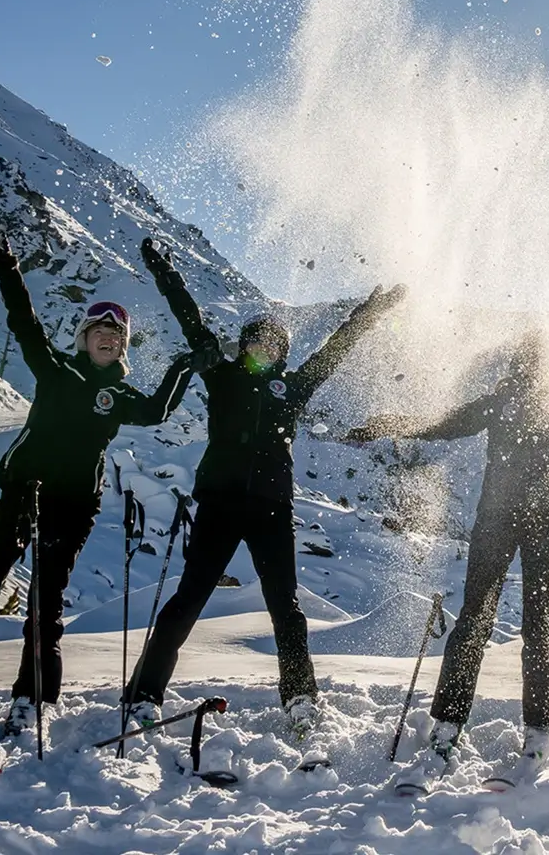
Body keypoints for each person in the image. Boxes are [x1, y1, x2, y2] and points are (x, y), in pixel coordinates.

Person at [347, 333, 549, 788]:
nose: (530, 373)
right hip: (500, 519)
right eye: (527, 365)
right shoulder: (501, 402)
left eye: (535, 366)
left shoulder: (545, 407)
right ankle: (455, 726)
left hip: (534, 520)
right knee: (482, 618)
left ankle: (533, 728)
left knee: (526, 621)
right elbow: (445, 424)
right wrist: (392, 423)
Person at [0, 224, 204, 742]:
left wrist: (182, 369)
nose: (108, 335)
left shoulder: (118, 397)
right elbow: (23, 320)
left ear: (122, 347)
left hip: (74, 504)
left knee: (45, 604)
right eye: (100, 328)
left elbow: (158, 410)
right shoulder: (56, 371)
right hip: (23, 492)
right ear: (84, 337)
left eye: (118, 333)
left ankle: (31, 700)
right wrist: (6, 265)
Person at [124, 238, 406, 732]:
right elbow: (192, 323)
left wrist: (372, 310)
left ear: (282, 354)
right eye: (257, 341)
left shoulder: (292, 387)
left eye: (275, 345)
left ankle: (299, 696)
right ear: (246, 344)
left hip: (272, 508)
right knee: (189, 597)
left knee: (285, 606)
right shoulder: (224, 377)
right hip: (220, 502)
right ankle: (144, 694)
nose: (265, 350)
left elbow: (335, 350)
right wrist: (164, 272)